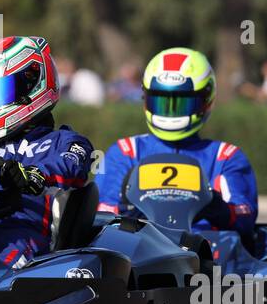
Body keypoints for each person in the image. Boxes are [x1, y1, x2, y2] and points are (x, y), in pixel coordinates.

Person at [95, 48, 257, 235]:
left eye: (181, 103)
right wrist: (127, 209)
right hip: (141, 253)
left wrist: (216, 206)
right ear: (145, 98)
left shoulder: (225, 157)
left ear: (205, 100)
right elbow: (103, 218)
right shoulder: (125, 152)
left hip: (208, 253)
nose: (170, 111)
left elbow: (245, 216)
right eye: (162, 102)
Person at [0, 36, 94, 266]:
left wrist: (34, 174)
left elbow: (71, 163)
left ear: (33, 84)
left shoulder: (64, 142)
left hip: (24, 238)